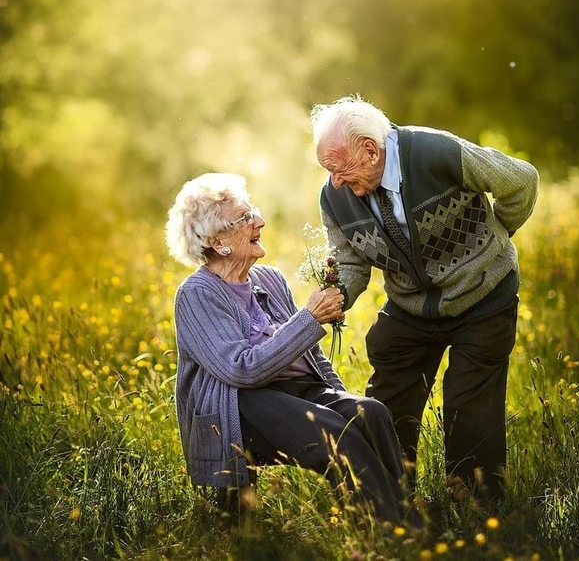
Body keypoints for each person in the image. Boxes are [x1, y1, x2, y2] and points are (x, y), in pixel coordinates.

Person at [310, 96, 539, 500]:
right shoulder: (335, 196)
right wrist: (337, 293)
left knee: (470, 402)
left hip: (483, 294)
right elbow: (349, 261)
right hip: (411, 305)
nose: (336, 181)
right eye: (327, 170)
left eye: (338, 167)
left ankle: (475, 498)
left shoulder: (436, 152)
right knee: (388, 388)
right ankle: (388, 493)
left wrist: (493, 236)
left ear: (369, 149)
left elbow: (521, 180)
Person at [165, 172, 416, 525]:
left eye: (253, 211)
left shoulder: (269, 279)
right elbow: (241, 369)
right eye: (245, 218)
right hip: (243, 407)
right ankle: (404, 531)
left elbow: (310, 355)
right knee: (333, 432)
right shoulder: (197, 294)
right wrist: (309, 318)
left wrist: (340, 397)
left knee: (369, 413)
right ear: (218, 241)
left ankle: (381, 520)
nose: (259, 221)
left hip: (298, 392)